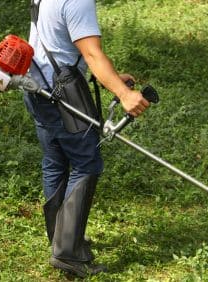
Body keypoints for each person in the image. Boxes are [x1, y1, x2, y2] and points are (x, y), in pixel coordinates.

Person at [24, 0, 149, 278]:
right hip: (63, 96)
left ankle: (61, 238)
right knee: (86, 164)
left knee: (55, 161)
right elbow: (91, 54)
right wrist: (125, 94)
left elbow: (58, 40)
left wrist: (112, 78)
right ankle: (67, 252)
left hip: (37, 89)